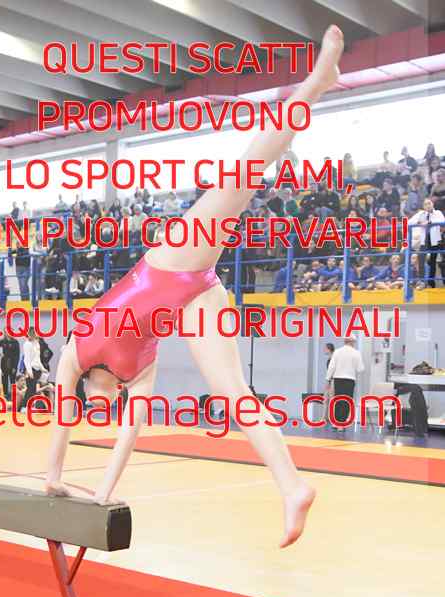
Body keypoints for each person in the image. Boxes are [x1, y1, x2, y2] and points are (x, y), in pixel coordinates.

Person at [45, 26, 346, 549]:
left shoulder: (75, 352)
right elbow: (128, 439)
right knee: (236, 395)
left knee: (241, 175)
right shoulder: (138, 373)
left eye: (91, 405)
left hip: (168, 264)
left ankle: (316, 84)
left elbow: (60, 419)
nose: (98, 407)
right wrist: (100, 495)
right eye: (101, 410)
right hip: (194, 300)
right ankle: (292, 486)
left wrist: (56, 477)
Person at [325, 336, 364, 430]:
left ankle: (335, 423)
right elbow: (360, 369)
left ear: (345, 341)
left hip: (338, 380)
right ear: (352, 342)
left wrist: (327, 379)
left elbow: (331, 367)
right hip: (349, 380)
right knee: (346, 401)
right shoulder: (356, 353)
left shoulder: (337, 352)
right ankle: (341, 424)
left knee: (338, 400)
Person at [409, 198, 445, 288]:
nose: (428, 205)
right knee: (421, 258)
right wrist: (419, 222)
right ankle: (422, 281)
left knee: (434, 260)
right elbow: (409, 222)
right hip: (424, 239)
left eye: (429, 203)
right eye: (425, 204)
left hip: (436, 239)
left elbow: (442, 221)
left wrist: (429, 222)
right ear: (423, 207)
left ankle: (432, 283)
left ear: (432, 204)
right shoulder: (421, 214)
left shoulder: (438, 213)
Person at [0, 329, 20, 397]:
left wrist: (15, 366)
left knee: (12, 380)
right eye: (7, 331)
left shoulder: (15, 342)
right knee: (4, 379)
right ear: (5, 333)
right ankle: (5, 395)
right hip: (4, 363)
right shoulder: (3, 341)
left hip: (12, 363)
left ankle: (13, 395)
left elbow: (17, 355)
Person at [23, 327, 46, 404]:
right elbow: (26, 359)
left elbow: (38, 358)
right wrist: (29, 371)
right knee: (30, 390)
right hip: (31, 369)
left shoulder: (37, 344)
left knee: (33, 391)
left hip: (37, 369)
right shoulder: (27, 344)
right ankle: (24, 406)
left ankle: (30, 405)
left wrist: (42, 368)